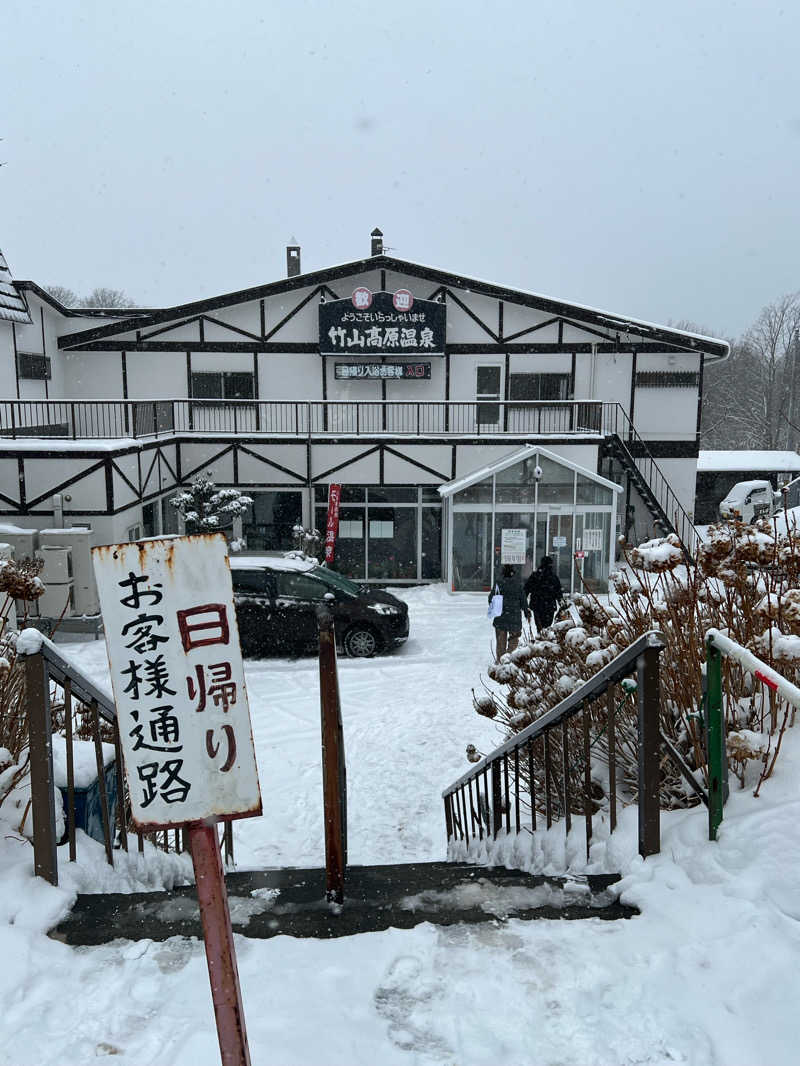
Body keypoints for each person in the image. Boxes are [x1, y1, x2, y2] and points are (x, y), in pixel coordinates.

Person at [489, 563, 530, 659]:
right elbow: (523, 599)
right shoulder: (518, 584)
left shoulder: (499, 583)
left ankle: (501, 661)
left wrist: (494, 606)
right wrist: (526, 612)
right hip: (514, 616)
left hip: (501, 616)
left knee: (500, 642)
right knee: (514, 640)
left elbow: (491, 598)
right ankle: (510, 658)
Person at [525, 555, 563, 632]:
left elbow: (526, 589)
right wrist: (561, 602)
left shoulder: (535, 576)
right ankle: (546, 639)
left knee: (539, 627)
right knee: (547, 627)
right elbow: (558, 592)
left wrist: (523, 601)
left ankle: (541, 638)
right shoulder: (553, 577)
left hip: (537, 604)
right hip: (549, 605)